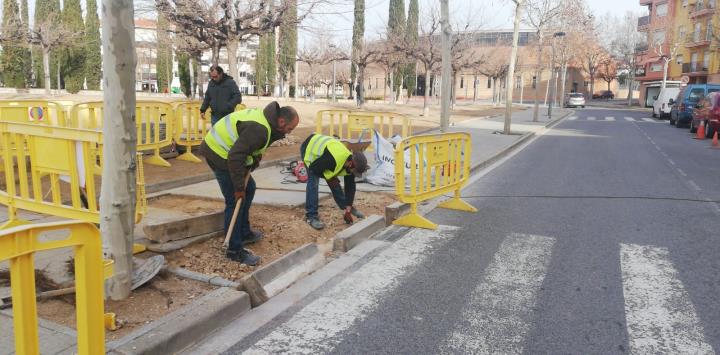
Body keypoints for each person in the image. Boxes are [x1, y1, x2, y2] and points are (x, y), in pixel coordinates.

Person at [200, 102, 299, 265]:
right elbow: (235, 157)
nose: (289, 133)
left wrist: (254, 159)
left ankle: (244, 233)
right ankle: (233, 249)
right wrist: (239, 188)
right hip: (219, 153)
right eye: (290, 129)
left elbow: (251, 148)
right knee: (235, 200)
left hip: (227, 152)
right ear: (281, 122)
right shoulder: (260, 129)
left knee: (250, 188)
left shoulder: (268, 122)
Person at [301, 134, 369, 230]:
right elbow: (313, 168)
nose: (353, 173)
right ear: (350, 163)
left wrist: (348, 207)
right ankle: (311, 216)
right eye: (354, 171)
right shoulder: (332, 160)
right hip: (310, 148)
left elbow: (350, 187)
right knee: (314, 183)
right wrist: (329, 178)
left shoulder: (350, 164)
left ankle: (344, 207)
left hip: (324, 154)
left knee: (334, 182)